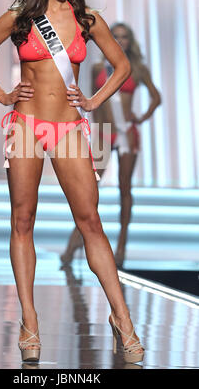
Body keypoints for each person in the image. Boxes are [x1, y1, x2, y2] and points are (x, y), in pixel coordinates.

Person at [0, 0, 144, 364]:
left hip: (69, 128)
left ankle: (122, 320)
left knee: (90, 221)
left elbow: (123, 66)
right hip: (26, 125)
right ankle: (30, 322)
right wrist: (5, 95)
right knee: (22, 220)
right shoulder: (20, 16)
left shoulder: (86, 17)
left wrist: (96, 101)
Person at [60, 23, 161, 268]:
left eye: (124, 37)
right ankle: (74, 244)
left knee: (124, 189)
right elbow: (94, 100)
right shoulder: (99, 68)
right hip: (105, 135)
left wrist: (141, 117)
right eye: (116, 36)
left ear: (130, 41)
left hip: (127, 133)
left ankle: (122, 245)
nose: (120, 40)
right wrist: (96, 129)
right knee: (89, 190)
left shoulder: (137, 69)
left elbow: (156, 97)